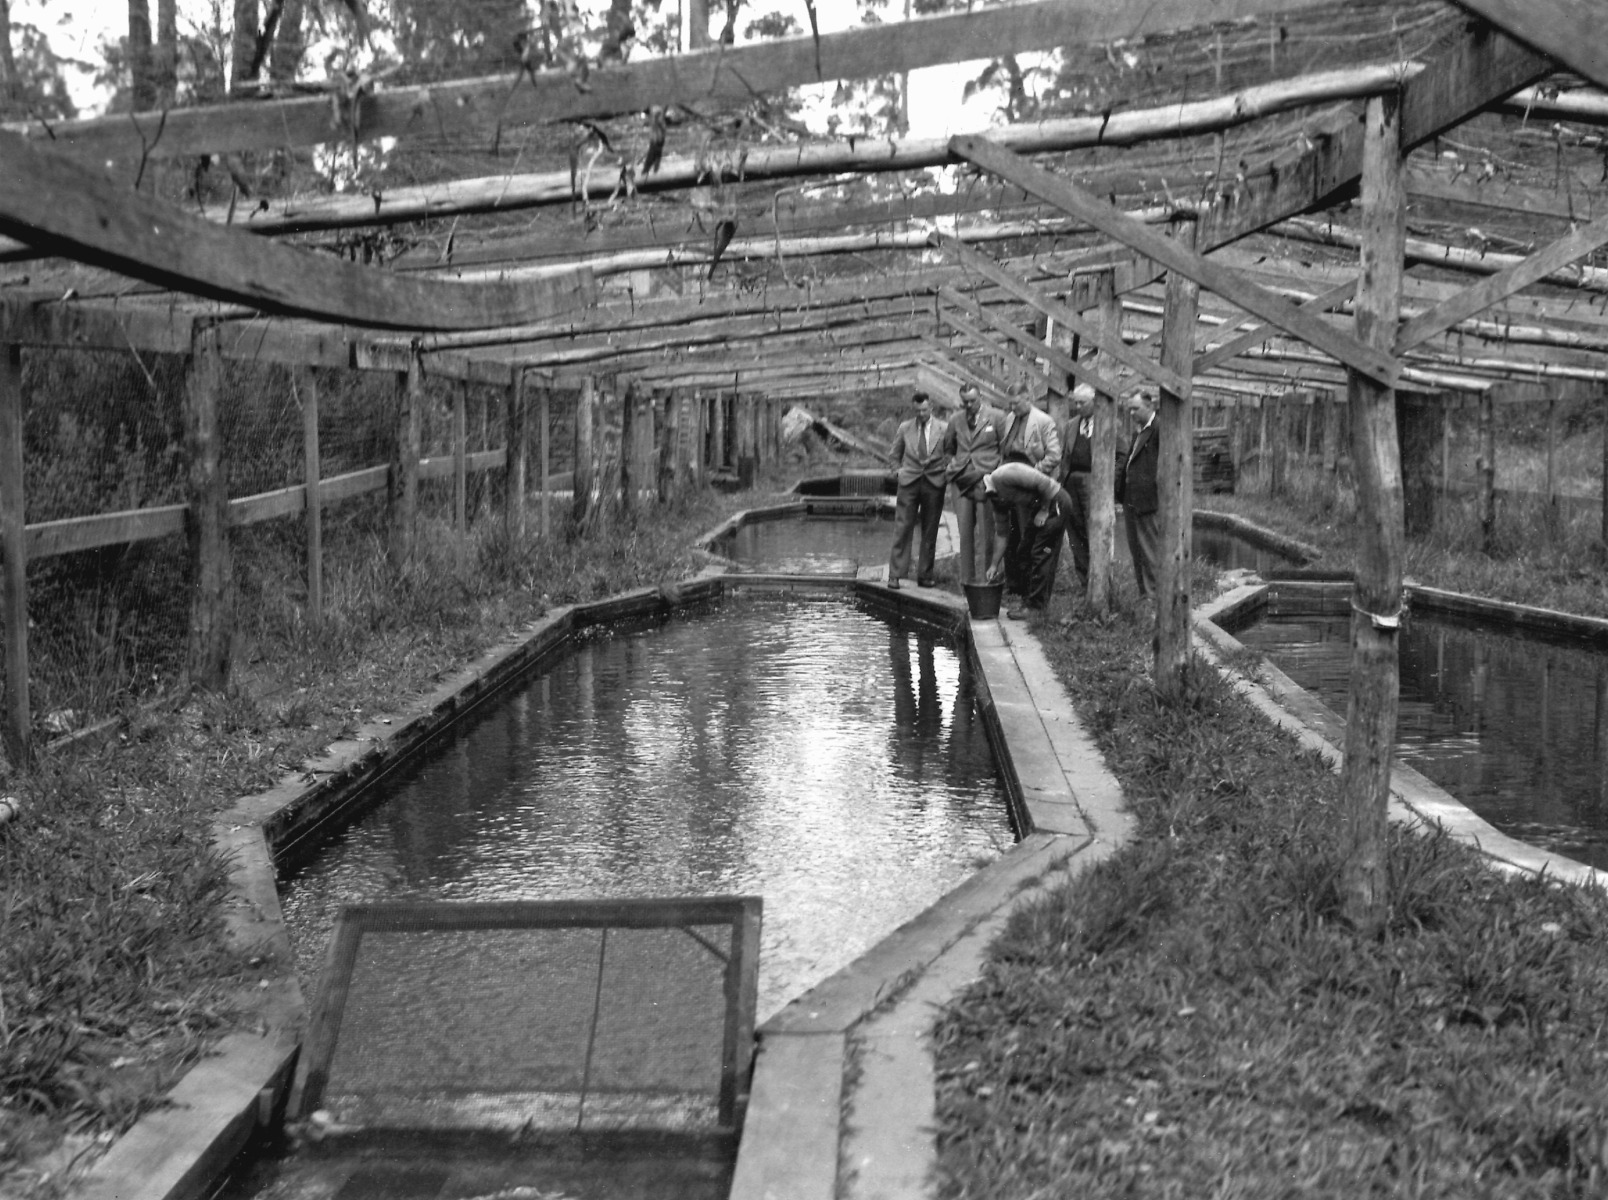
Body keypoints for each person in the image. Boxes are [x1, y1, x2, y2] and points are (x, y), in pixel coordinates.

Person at [981, 461, 1078, 618]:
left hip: (1055, 502)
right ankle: (1028, 601)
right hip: (1039, 507)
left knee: (1041, 553)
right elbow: (1002, 534)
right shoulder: (995, 499)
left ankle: (1036, 607)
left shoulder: (1004, 474)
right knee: (1023, 552)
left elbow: (1044, 483)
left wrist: (1045, 510)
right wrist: (993, 565)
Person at [995, 384, 1061, 598]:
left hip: (1029, 484)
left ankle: (1028, 588)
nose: (1012, 408)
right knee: (1011, 533)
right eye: (1010, 404)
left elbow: (1054, 456)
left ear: (1028, 398)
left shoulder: (1043, 421)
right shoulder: (1010, 419)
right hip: (1010, 481)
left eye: (1016, 403)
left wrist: (1032, 474)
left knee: (1027, 536)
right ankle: (1013, 584)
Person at [942, 384, 1008, 584]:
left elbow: (1004, 448)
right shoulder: (955, 420)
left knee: (988, 530)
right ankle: (967, 581)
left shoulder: (997, 417)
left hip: (986, 478)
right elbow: (948, 447)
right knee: (964, 531)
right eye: (965, 401)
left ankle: (989, 578)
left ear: (981, 397)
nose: (969, 405)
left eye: (973, 400)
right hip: (961, 478)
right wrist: (954, 465)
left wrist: (996, 473)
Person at [885, 390, 949, 589]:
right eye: (917, 411)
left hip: (934, 483)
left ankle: (925, 575)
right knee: (902, 527)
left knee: (930, 530)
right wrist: (898, 472)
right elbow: (894, 455)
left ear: (931, 408)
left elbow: (951, 454)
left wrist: (945, 472)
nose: (921, 414)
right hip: (909, 483)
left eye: (924, 410)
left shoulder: (944, 428)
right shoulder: (905, 428)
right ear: (913, 409)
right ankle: (895, 575)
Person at [1118, 390, 1161, 598]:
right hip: (1131, 499)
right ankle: (1144, 593)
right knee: (1136, 549)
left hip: (1148, 500)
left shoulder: (1159, 430)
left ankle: (1153, 594)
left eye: (1136, 408)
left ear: (1150, 407)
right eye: (1130, 409)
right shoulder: (1139, 432)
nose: (1132, 413)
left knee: (1150, 549)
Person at [1057, 385, 1096, 591]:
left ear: (1095, 402)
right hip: (1072, 481)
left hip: (1093, 481)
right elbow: (1065, 455)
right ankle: (1084, 581)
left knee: (1093, 531)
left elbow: (1121, 455)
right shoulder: (1071, 425)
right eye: (1076, 402)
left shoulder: (1108, 424)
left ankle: (1097, 581)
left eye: (1083, 402)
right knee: (1075, 531)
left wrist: (1107, 483)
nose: (1078, 406)